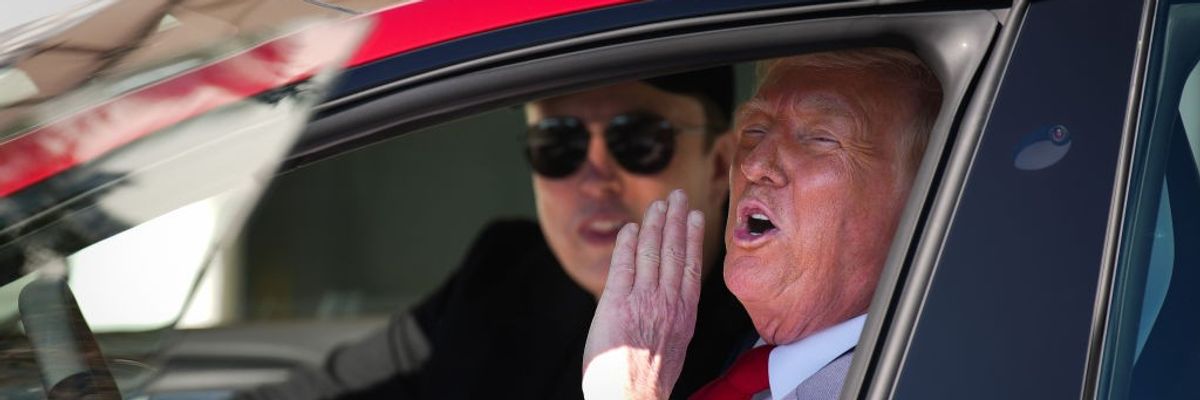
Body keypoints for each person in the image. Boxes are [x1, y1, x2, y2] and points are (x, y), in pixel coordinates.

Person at [239, 67, 754, 400]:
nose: (595, 177)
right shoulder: (502, 270)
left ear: (719, 165)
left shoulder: (762, 335)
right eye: (557, 142)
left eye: (638, 140)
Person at [580, 48, 942, 400]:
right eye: (754, 131)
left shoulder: (927, 381)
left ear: (925, 195)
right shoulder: (748, 362)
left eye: (820, 138)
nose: (754, 164)